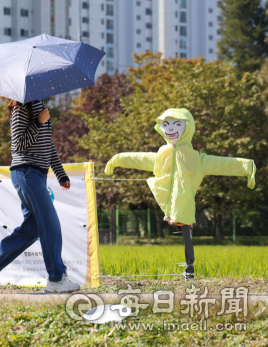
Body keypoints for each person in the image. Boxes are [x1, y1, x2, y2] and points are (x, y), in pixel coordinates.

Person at [105, 108, 256, 279]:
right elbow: (140, 158)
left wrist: (246, 167)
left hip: (183, 206)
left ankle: (189, 267)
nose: (170, 129)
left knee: (186, 236)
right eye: (166, 125)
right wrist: (116, 159)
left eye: (177, 124)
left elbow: (222, 163)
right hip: (165, 203)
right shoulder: (162, 153)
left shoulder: (195, 158)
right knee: (185, 234)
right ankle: (188, 266)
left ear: (188, 128)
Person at [0, 99, 81, 293]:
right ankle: (56, 279)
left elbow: (48, 144)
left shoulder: (41, 106)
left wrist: (60, 173)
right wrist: (39, 122)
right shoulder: (20, 109)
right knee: (51, 224)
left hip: (37, 174)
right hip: (26, 172)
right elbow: (18, 145)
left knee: (32, 230)